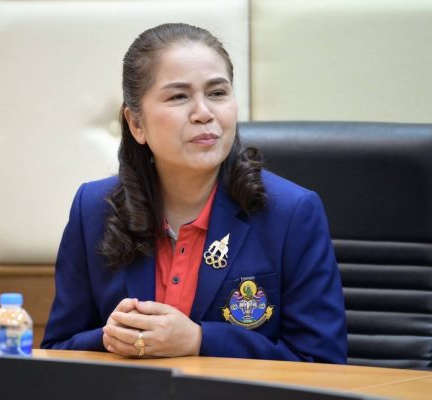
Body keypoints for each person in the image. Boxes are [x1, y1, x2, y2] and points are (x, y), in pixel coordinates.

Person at [41, 23, 347, 363]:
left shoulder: (291, 213)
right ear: (136, 124)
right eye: (179, 96)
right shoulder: (93, 210)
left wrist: (200, 340)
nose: (204, 113)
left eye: (217, 93)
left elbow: (324, 364)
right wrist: (115, 337)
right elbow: (56, 352)